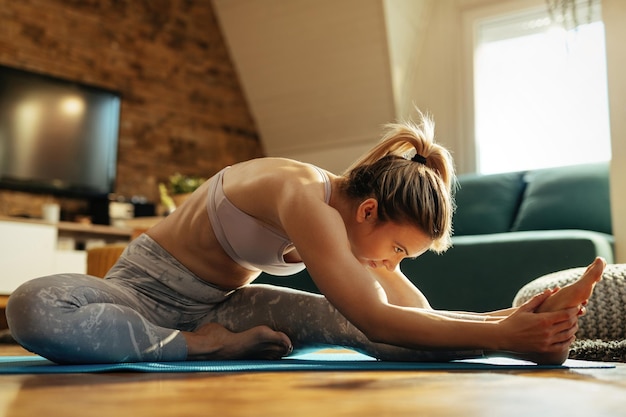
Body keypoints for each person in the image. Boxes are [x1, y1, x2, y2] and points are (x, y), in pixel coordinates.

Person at [6, 111, 605, 365]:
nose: (393, 262)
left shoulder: (352, 224)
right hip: (142, 297)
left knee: (375, 336)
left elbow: (404, 312)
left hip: (227, 304)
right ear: (369, 209)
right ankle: (200, 347)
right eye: (398, 248)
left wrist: (508, 323)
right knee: (34, 308)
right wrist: (506, 333)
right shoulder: (303, 197)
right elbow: (380, 316)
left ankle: (206, 336)